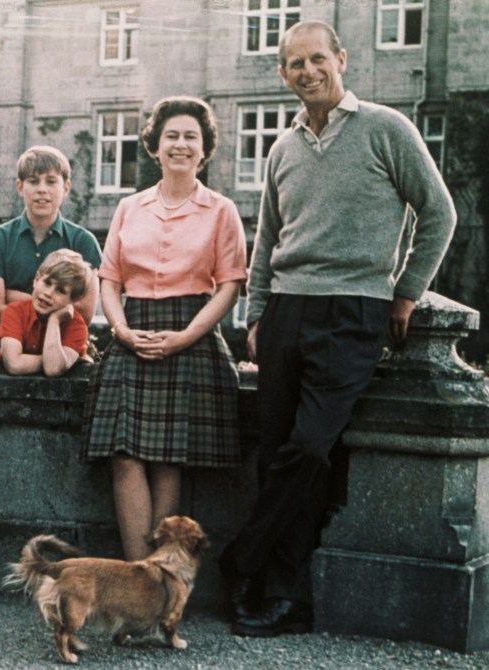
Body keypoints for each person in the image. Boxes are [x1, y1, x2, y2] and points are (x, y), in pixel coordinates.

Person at [221, 20, 457, 638]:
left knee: (309, 446)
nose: (307, 72)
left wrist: (405, 291)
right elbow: (268, 237)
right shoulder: (283, 146)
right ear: (282, 74)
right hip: (286, 313)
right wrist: (257, 310)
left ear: (341, 59)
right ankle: (283, 597)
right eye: (294, 64)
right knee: (279, 453)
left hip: (355, 310)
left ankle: (241, 559)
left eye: (317, 59)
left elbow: (438, 211)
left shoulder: (386, 128)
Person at [81, 96, 247, 562]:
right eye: (171, 136)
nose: (180, 145)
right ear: (155, 147)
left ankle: (162, 583)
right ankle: (138, 581)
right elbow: (109, 278)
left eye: (190, 137)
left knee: (169, 460)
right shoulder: (130, 208)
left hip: (188, 334)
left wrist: (184, 337)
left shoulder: (221, 211)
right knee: (124, 455)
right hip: (133, 332)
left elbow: (230, 285)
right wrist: (120, 329)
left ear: (205, 149)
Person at [0, 145, 103, 328]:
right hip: (9, 346)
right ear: (20, 187)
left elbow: (84, 314)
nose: (42, 189)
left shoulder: (83, 242)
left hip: (65, 349)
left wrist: (13, 296)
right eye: (33, 181)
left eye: (51, 182)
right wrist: (60, 305)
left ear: (66, 187)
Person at [0, 248, 91, 377]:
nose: (48, 293)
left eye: (60, 290)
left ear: (73, 299)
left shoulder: (76, 325)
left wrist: (54, 320)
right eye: (47, 283)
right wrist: (58, 360)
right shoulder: (15, 312)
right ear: (36, 279)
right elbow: (14, 364)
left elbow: (53, 369)